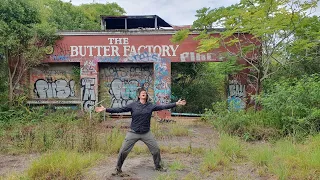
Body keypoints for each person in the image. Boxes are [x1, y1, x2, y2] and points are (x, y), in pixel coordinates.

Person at [95, 88, 186, 175]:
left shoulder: (150, 106)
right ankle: (118, 169)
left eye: (145, 93)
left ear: (146, 96)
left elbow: (162, 106)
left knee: (156, 150)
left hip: (146, 133)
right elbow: (120, 109)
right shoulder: (133, 105)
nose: (144, 94)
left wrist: (176, 103)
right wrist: (106, 109)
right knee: (123, 151)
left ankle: (158, 167)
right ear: (139, 96)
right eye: (142, 93)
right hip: (133, 132)